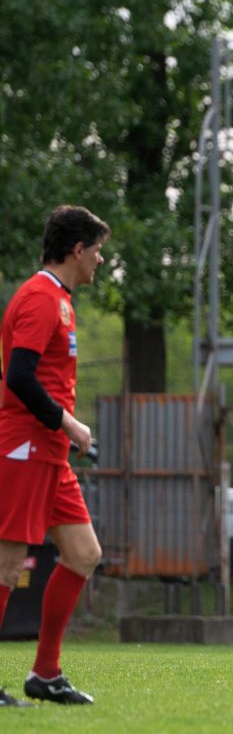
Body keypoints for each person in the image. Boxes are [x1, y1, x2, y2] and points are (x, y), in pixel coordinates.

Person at [0, 205, 109, 707]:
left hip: (49, 453)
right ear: (77, 250)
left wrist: (64, 433)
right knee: (5, 566)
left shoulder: (60, 300)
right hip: (23, 447)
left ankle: (45, 675)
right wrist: (68, 423)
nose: (101, 262)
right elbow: (18, 378)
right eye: (98, 251)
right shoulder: (41, 298)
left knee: (85, 554)